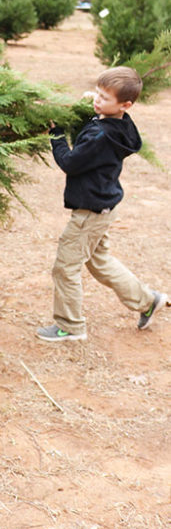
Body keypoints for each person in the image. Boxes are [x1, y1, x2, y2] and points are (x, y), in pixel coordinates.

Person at [36, 65, 167, 343]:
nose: (97, 100)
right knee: (100, 262)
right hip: (103, 206)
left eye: (104, 97)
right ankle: (148, 301)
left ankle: (70, 326)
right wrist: (93, 108)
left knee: (65, 266)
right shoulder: (119, 124)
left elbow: (70, 162)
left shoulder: (102, 135)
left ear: (125, 104)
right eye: (98, 92)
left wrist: (56, 133)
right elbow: (97, 123)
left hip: (90, 212)